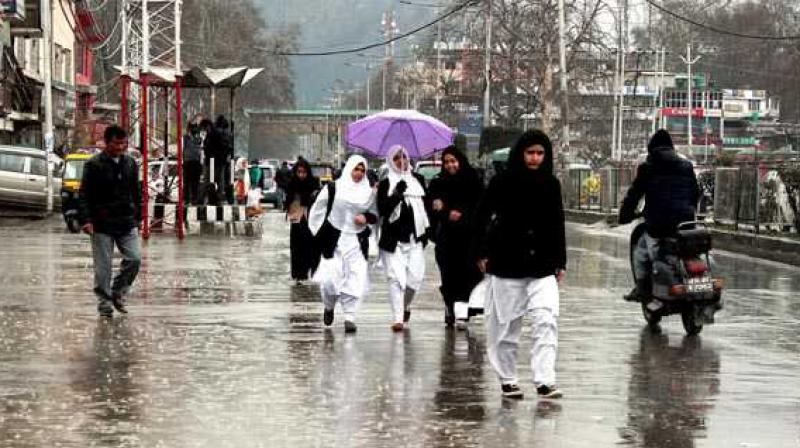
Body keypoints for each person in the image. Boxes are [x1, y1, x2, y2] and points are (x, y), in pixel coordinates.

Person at [472, 129, 566, 400]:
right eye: (530, 153)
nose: (535, 158)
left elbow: (556, 223)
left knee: (546, 319)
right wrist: (480, 252)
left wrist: (560, 261)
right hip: (507, 263)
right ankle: (508, 378)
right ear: (520, 153)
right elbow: (481, 216)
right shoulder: (502, 182)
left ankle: (545, 380)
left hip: (543, 265)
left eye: (540, 153)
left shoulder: (551, 184)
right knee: (505, 326)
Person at [619, 130, 700, 302]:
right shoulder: (686, 166)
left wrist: (625, 215)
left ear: (651, 149)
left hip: (659, 225)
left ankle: (641, 289)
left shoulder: (648, 168)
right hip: (686, 224)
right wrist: (687, 208)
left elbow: (634, 195)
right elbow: (696, 193)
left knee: (641, 252)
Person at [308, 155, 377, 333]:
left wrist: (366, 218)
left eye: (362, 170)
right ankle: (329, 306)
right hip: (333, 240)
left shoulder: (368, 192)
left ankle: (349, 317)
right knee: (331, 280)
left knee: (355, 277)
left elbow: (375, 214)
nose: (359, 173)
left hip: (357, 241)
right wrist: (317, 232)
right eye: (356, 169)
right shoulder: (333, 187)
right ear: (349, 169)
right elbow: (318, 209)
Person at [78, 125, 142, 317]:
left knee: (135, 259)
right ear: (107, 143)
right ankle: (104, 303)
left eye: (124, 143)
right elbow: (84, 194)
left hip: (126, 221)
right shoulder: (93, 165)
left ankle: (118, 291)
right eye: (117, 143)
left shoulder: (131, 164)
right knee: (103, 268)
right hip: (101, 223)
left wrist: (137, 216)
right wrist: (86, 220)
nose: (121, 147)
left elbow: (136, 193)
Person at [377, 145, 431, 332]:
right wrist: (397, 194)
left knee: (414, 279)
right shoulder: (386, 184)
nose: (402, 162)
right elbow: (383, 210)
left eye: (404, 158)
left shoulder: (418, 180)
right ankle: (398, 318)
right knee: (395, 279)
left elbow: (426, 208)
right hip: (393, 241)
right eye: (397, 158)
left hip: (415, 238)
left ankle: (405, 305)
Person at [428, 147, 484, 328]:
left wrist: (463, 214)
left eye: (453, 161)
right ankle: (452, 308)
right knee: (449, 275)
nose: (450, 165)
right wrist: (445, 211)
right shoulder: (438, 183)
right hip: (447, 239)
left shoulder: (472, 180)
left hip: (469, 238)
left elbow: (481, 207)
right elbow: (433, 209)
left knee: (468, 274)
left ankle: (462, 310)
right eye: (446, 162)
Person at [285, 158, 321, 283]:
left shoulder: (313, 183)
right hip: (296, 218)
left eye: (304, 172)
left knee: (310, 246)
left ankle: (310, 272)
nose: (301, 175)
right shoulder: (292, 184)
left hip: (310, 219)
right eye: (299, 172)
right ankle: (298, 275)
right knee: (296, 247)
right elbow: (288, 202)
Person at [182, 122, 203, 205]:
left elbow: (201, 152)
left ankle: (194, 199)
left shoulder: (199, 139)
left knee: (195, 183)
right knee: (187, 183)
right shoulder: (185, 138)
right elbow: (182, 150)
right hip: (188, 162)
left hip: (196, 163)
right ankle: (187, 199)